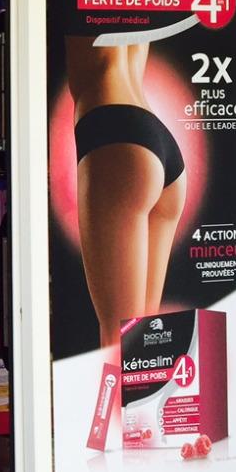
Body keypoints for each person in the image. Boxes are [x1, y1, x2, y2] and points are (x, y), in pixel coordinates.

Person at [65, 38, 184, 352]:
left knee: (117, 343)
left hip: (113, 131)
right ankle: (143, 402)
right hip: (153, 131)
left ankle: (115, 402)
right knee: (140, 341)